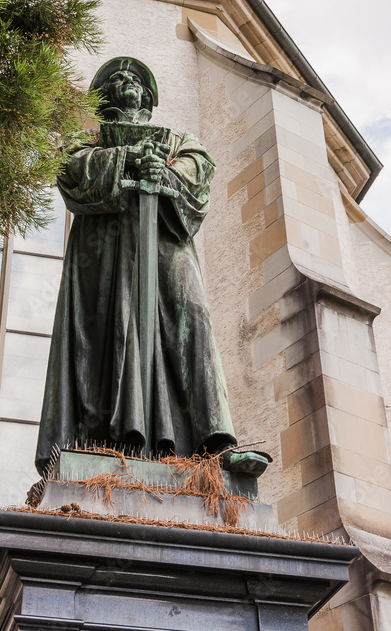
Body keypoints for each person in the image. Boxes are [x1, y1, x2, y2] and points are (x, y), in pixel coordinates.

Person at [35, 57, 263, 476]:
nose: (127, 82)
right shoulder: (86, 139)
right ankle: (104, 445)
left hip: (166, 243)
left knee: (192, 318)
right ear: (104, 96)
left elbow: (198, 172)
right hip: (105, 253)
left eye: (135, 79)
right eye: (117, 78)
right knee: (106, 335)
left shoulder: (177, 140)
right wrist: (126, 158)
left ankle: (216, 448)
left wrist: (164, 172)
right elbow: (71, 170)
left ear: (148, 95)